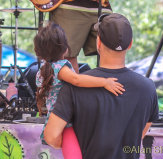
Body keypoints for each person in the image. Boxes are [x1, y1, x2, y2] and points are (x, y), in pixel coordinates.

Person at [44, 13, 159, 159]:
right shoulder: (148, 88)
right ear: (130, 44)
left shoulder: (75, 85)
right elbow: (141, 133)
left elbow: (51, 136)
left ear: (98, 43)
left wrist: (74, 145)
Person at [34, 22, 124, 158]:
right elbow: (77, 80)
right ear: (65, 48)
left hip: (55, 117)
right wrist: (104, 82)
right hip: (65, 118)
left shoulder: (43, 70)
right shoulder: (61, 67)